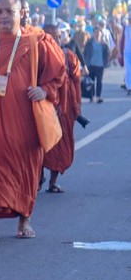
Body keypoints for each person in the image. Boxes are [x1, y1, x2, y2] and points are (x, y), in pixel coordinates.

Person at [0, 0, 65, 242]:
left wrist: (45, 90)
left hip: (25, 120)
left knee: (26, 170)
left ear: (21, 13)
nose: (3, 16)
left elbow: (57, 72)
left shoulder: (36, 42)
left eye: (9, 12)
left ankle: (24, 220)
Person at [42, 24, 82, 193]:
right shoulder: (38, 55)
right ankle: (37, 177)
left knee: (60, 144)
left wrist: (76, 105)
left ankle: (53, 181)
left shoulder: (68, 55)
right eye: (52, 36)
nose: (57, 40)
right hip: (44, 104)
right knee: (40, 144)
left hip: (65, 109)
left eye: (58, 36)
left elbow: (76, 80)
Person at [83, 28, 109, 103]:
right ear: (93, 33)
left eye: (98, 32)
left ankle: (98, 96)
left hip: (100, 65)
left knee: (99, 81)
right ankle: (92, 96)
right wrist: (85, 64)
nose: (97, 34)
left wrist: (106, 65)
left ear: (101, 34)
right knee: (91, 81)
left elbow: (107, 54)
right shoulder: (89, 43)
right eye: (95, 32)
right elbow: (85, 53)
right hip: (91, 65)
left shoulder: (104, 44)